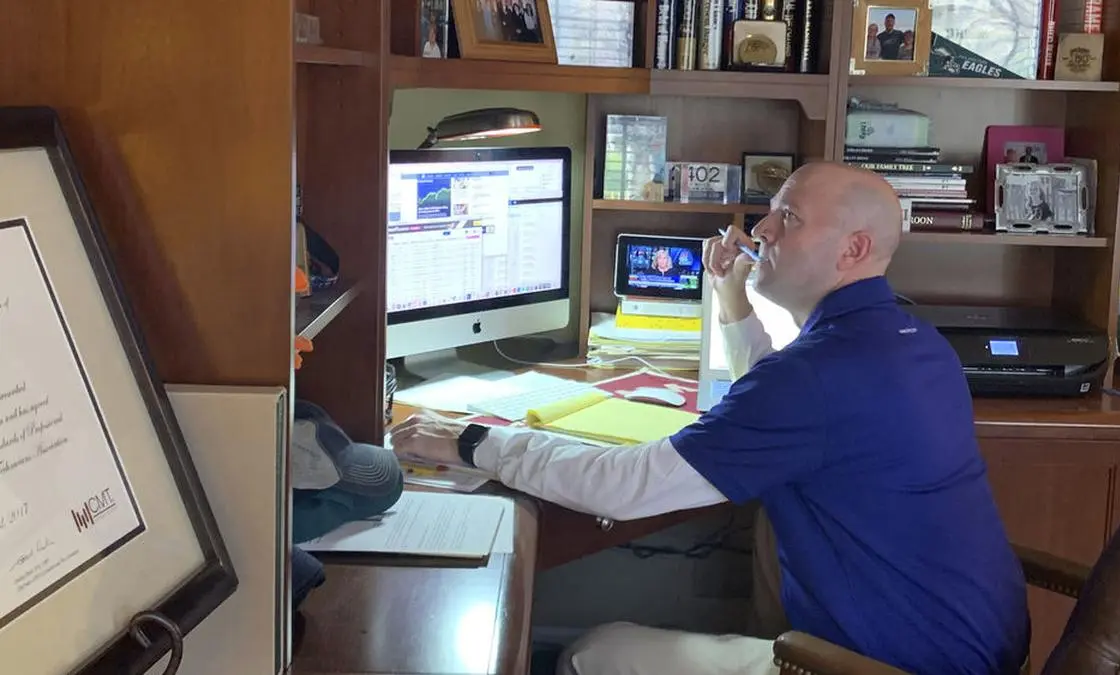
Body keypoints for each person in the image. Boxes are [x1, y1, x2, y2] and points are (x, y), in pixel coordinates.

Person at [392, 161, 1031, 675]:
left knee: (593, 654)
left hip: (876, 666)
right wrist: (731, 297)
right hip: (982, 647)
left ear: (853, 248)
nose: (762, 231)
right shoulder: (912, 341)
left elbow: (624, 487)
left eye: (789, 218)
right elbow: (781, 406)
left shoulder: (817, 378)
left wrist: (474, 440)